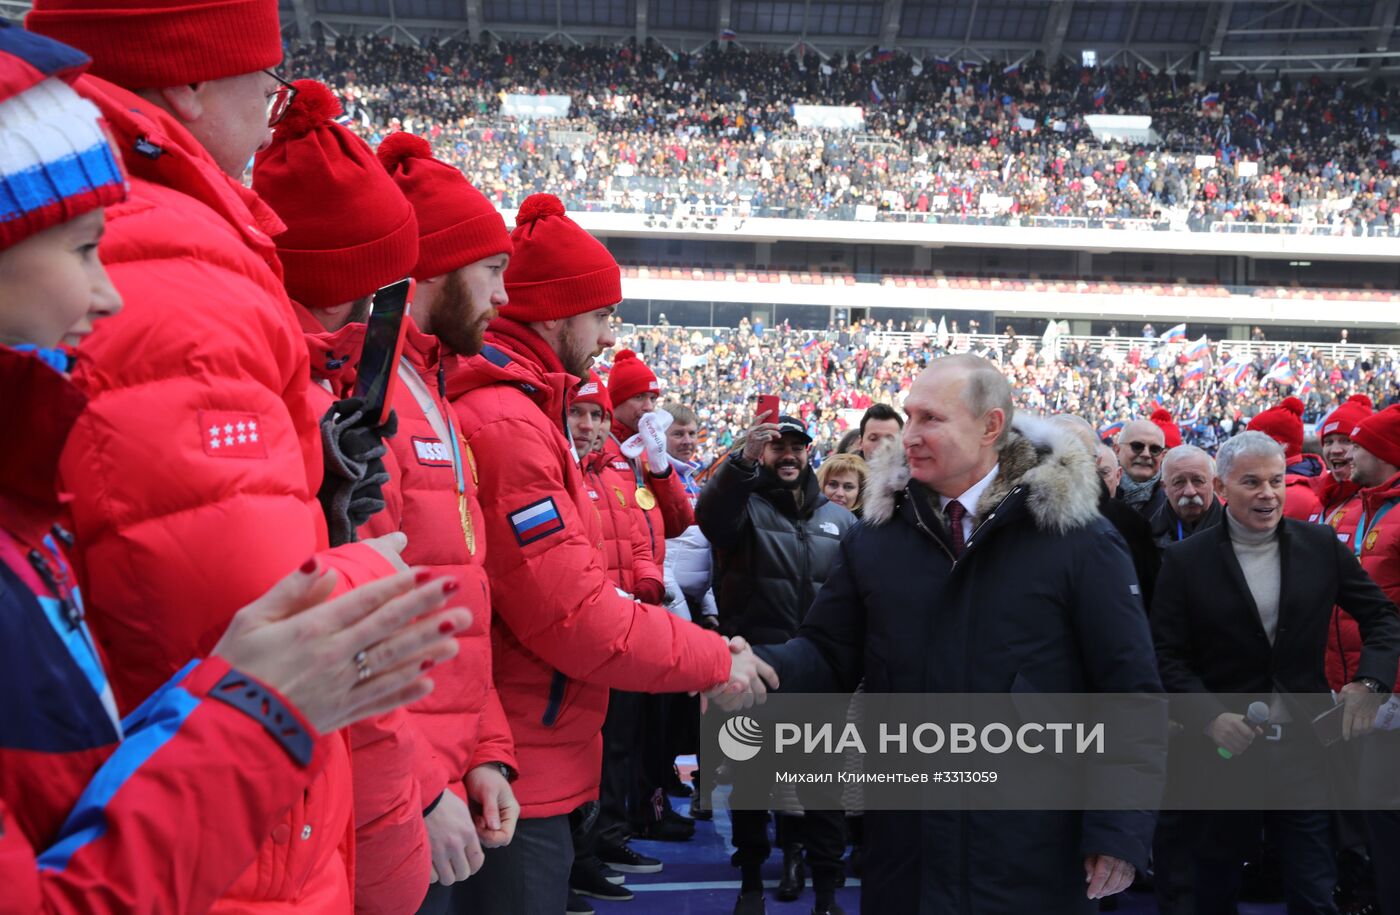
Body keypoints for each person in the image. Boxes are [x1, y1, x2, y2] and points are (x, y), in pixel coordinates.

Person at [0, 30, 468, 907]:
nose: (106, 293)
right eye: (81, 249)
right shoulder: (184, 268)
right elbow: (247, 620)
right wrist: (363, 574)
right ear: (191, 78)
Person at [443, 194, 776, 913]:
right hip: (513, 755)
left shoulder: (526, 411)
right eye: (599, 316)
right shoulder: (508, 420)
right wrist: (717, 661)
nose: (605, 336)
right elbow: (573, 613)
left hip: (527, 741)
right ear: (558, 314)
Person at [750, 356, 1162, 913]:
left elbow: (1129, 690)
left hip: (1033, 848)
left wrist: (1119, 828)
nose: (910, 436)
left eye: (931, 419)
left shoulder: (1079, 539)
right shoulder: (876, 538)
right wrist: (756, 668)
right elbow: (826, 651)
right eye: (909, 416)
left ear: (990, 426)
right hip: (907, 848)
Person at [254, 106, 520, 913]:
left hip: (429, 782)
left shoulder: (427, 390)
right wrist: (422, 785)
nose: (506, 295)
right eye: (493, 269)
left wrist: (483, 749)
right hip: (389, 795)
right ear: (428, 270)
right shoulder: (366, 400)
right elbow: (361, 618)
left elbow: (461, 600)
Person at [1151, 431, 1400, 915]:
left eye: (1276, 480)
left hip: (1304, 748)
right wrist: (1208, 717)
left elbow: (1382, 618)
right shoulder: (1186, 562)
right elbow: (1165, 655)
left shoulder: (1320, 545)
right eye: (1252, 482)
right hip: (1222, 753)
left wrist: (1371, 682)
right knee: (1214, 886)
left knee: (1312, 885)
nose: (1268, 493)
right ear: (1222, 488)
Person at [698, 413, 857, 915]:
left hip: (818, 675)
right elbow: (711, 514)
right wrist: (742, 460)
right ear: (763, 453)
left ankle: (827, 895)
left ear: (811, 453)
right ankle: (750, 887)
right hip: (754, 672)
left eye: (798, 446)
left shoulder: (841, 520)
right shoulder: (742, 510)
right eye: (777, 447)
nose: (788, 455)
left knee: (823, 789)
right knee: (749, 785)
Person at [566, 373, 658, 911]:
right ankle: (577, 858)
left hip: (624, 625)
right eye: (581, 412)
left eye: (599, 415)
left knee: (616, 742)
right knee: (582, 748)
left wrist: (647, 583)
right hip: (582, 628)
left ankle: (601, 845)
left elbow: (644, 533)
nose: (591, 424)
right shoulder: (560, 467)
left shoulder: (622, 471)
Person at [602, 348, 700, 843]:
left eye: (652, 396)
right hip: (618, 606)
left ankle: (646, 809)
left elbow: (680, 521)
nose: (648, 405)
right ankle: (618, 824)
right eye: (639, 395)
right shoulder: (604, 452)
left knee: (651, 722)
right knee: (620, 731)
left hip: (649, 602)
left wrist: (660, 468)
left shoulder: (644, 453)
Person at [1249, 397, 1325, 521]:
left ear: (1275, 446)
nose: (1244, 449)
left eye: (1250, 442)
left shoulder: (1291, 497)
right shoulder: (1305, 478)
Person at [1150, 445, 1224, 548]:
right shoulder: (1148, 536)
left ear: (1214, 483)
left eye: (1198, 481)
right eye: (1179, 482)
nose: (1190, 492)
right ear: (1165, 487)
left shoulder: (1237, 531)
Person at [1114, 419, 1169, 519]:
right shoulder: (1094, 494)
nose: (1146, 454)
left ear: (1163, 455)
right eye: (1137, 446)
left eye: (1154, 449)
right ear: (1117, 450)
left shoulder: (1173, 500)